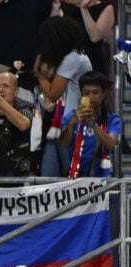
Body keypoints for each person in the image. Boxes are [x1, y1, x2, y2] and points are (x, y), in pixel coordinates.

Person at [33, 16, 93, 177]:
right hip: (59, 123)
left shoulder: (72, 59)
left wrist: (38, 72)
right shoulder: (73, 56)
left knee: (70, 176)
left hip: (72, 125)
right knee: (48, 175)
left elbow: (53, 94)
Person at [52, 0, 115, 76]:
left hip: (93, 67)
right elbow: (52, 32)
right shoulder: (67, 8)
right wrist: (56, 4)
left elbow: (95, 37)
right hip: (68, 67)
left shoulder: (106, 8)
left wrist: (83, 8)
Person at [60, 71, 120, 178]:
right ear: (81, 94)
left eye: (95, 93)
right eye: (86, 93)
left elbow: (110, 144)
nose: (91, 97)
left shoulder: (112, 119)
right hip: (75, 177)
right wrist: (71, 124)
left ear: (103, 95)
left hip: (102, 179)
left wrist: (94, 125)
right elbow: (63, 144)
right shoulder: (72, 116)